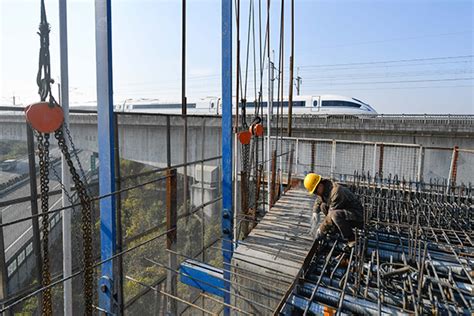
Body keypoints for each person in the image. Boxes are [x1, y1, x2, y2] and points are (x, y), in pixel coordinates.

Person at [304, 173, 364, 245]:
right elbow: (319, 200)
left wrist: (321, 229)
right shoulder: (325, 188)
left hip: (357, 216)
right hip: (345, 212)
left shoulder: (336, 192)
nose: (315, 194)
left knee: (334, 215)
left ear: (320, 185)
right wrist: (315, 212)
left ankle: (351, 238)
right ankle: (336, 228)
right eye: (314, 192)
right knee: (323, 206)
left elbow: (330, 215)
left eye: (315, 191)